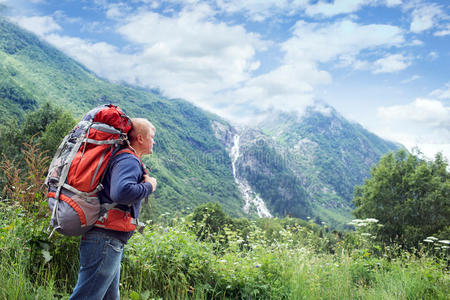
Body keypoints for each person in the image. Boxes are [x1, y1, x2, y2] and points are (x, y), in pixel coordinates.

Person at [69, 118, 157, 300]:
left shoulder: (123, 157)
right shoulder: (129, 160)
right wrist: (150, 186)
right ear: (140, 138)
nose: (154, 141)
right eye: (152, 136)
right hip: (105, 239)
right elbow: (121, 192)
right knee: (87, 296)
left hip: (107, 239)